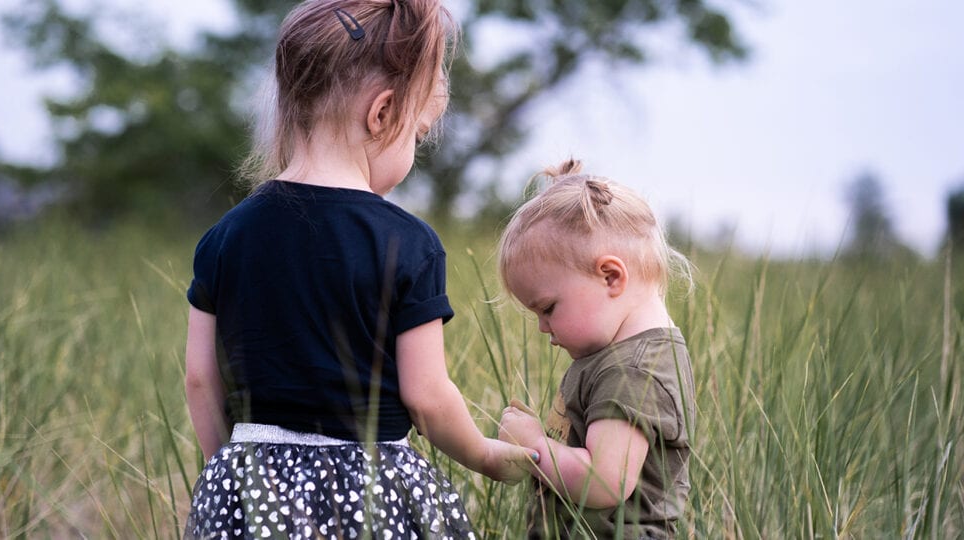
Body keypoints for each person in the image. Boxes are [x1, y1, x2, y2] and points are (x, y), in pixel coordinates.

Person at [182, 1, 537, 538]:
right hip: (373, 492)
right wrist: (485, 454)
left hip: (248, 487)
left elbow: (200, 379)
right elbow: (427, 395)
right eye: (417, 134)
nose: (414, 150)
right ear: (383, 113)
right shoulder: (410, 244)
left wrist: (230, 476)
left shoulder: (225, 236)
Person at [496, 159, 696, 539]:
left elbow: (606, 481)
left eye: (548, 308)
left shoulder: (635, 370)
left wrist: (536, 447)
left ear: (610, 276)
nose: (542, 327)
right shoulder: (613, 356)